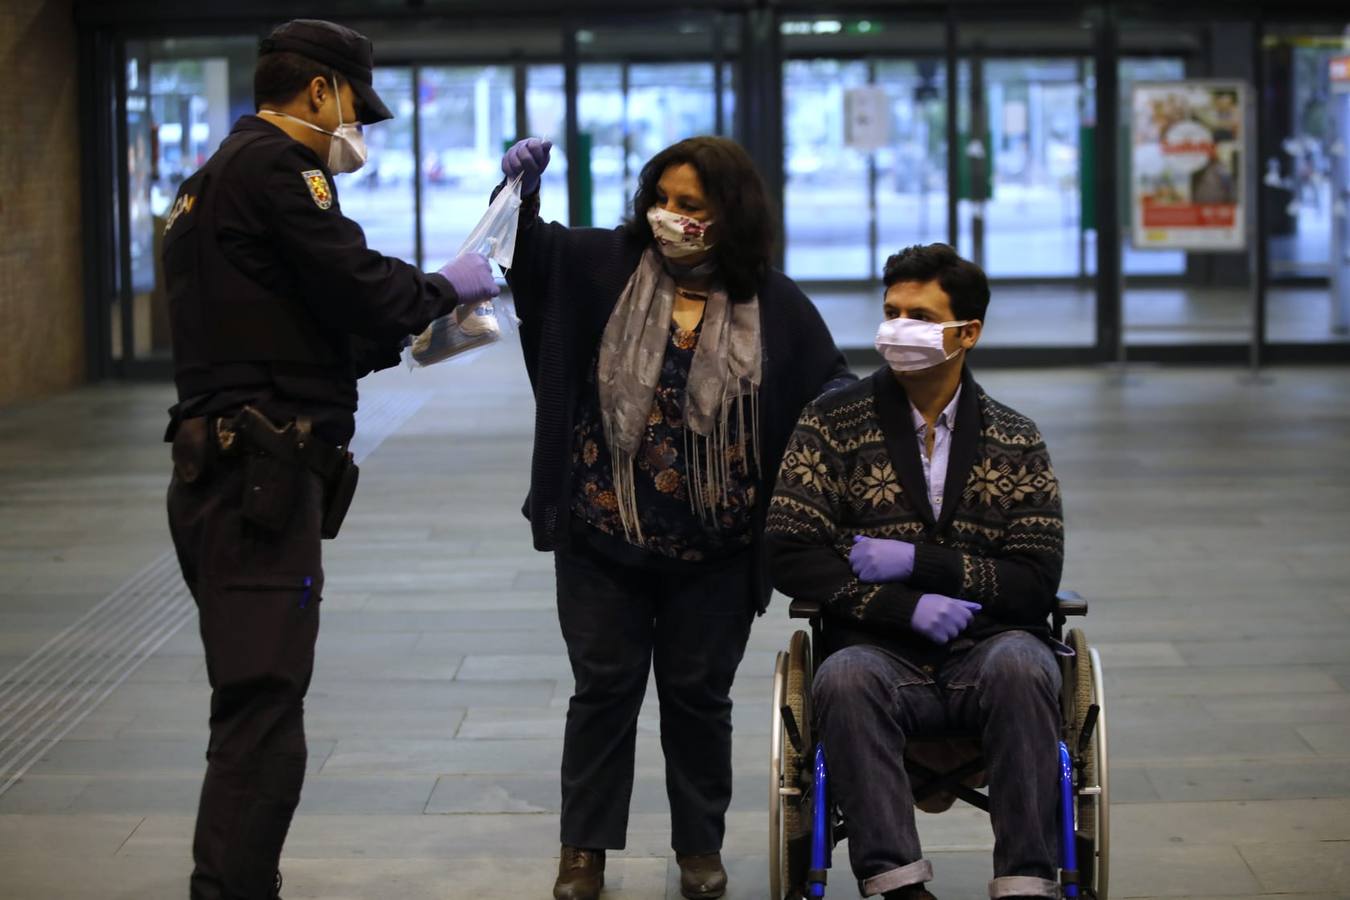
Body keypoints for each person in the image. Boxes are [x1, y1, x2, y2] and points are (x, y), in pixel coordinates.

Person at [161, 19, 500, 900]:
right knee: (264, 704)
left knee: (254, 697)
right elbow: (350, 280)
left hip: (224, 472)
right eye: (354, 104)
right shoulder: (278, 167)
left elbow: (282, 335)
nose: (356, 126)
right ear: (320, 92)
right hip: (258, 478)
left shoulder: (206, 184)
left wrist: (415, 334)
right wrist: (441, 287)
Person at [495, 135, 855, 900]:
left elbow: (832, 392)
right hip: (602, 535)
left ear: (730, 213)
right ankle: (582, 853)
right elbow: (524, 260)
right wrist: (519, 195)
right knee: (603, 690)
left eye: (691, 205)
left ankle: (699, 849)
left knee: (699, 699)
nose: (671, 217)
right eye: (662, 199)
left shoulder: (777, 304)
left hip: (718, 553)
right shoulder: (604, 265)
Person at [766, 244, 1066, 900]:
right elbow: (790, 549)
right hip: (877, 652)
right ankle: (897, 882)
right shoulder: (831, 424)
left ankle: (1026, 879)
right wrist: (902, 608)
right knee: (843, 679)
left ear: (967, 332)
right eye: (891, 312)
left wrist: (920, 563)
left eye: (920, 315)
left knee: (1025, 665)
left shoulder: (1017, 439)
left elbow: (1035, 580)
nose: (898, 329)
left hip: (989, 652)